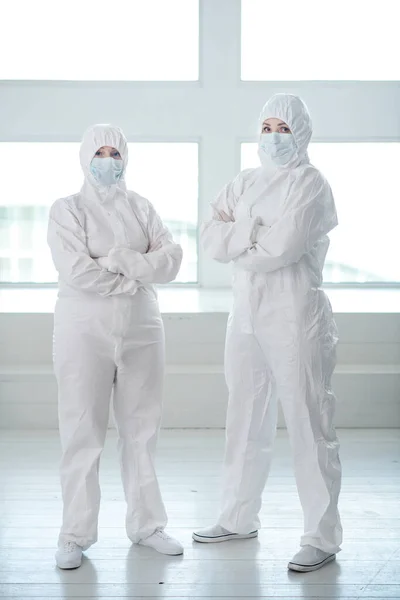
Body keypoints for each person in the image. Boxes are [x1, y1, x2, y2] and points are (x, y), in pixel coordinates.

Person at [193, 94, 342, 573]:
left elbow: (283, 247)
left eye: (284, 127)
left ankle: (321, 536)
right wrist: (249, 234)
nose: (274, 136)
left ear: (301, 132)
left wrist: (241, 237)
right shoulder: (244, 182)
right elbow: (209, 237)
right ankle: (237, 517)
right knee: (244, 414)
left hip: (295, 312)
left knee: (307, 418)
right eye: (267, 126)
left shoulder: (311, 183)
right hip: (246, 314)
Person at [48, 124, 184, 569]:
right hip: (83, 330)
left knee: (142, 429)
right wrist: (135, 272)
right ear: (85, 157)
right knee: (82, 429)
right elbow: (75, 271)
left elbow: (172, 260)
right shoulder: (67, 210)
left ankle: (147, 525)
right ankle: (74, 534)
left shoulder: (142, 207)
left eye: (115, 153)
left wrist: (119, 263)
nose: (108, 160)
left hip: (143, 327)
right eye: (100, 152)